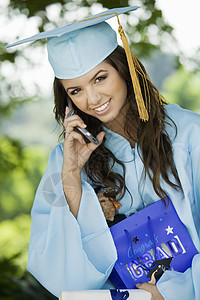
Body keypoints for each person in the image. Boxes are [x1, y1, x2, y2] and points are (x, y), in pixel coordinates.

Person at [6, 6, 200, 300]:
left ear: (124, 70)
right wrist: (72, 175)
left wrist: (175, 292)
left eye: (100, 78)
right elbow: (62, 275)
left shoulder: (189, 134)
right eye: (76, 90)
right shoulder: (65, 160)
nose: (92, 99)